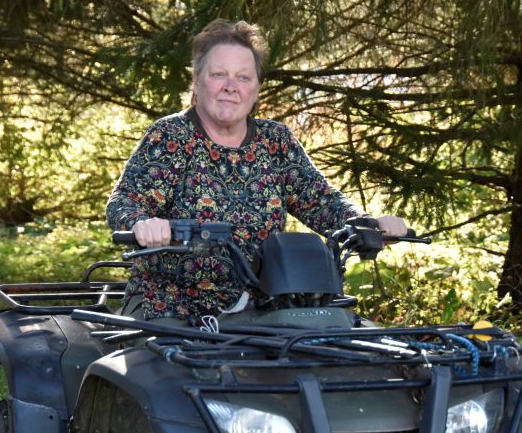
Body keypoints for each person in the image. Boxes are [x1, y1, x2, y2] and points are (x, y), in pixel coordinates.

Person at [106, 19, 407, 324]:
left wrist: (369, 225)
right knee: (174, 368)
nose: (230, 86)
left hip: (262, 308)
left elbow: (320, 200)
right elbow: (125, 201)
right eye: (218, 74)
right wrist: (142, 223)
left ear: (256, 89)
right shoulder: (171, 136)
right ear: (197, 81)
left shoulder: (275, 141)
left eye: (243, 77)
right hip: (173, 307)